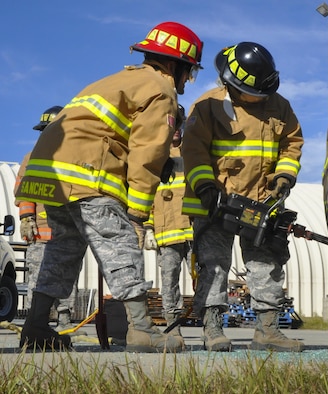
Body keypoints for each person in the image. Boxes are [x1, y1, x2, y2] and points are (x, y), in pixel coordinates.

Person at [15, 21, 203, 352]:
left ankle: (36, 326)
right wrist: (137, 213)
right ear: (174, 65)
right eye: (189, 72)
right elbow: (147, 152)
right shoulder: (160, 89)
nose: (188, 81)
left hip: (50, 175)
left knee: (63, 250)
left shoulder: (119, 79)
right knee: (121, 246)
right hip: (85, 172)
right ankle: (142, 330)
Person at [181, 42, 304, 352]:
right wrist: (206, 187)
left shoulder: (280, 106)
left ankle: (268, 331)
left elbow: (292, 145)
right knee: (214, 265)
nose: (261, 99)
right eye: (254, 94)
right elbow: (193, 152)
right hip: (216, 202)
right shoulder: (207, 106)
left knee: (266, 263)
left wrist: (284, 176)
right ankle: (212, 330)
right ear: (233, 85)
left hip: (261, 202)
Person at [15, 105, 85, 335]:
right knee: (39, 277)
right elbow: (23, 192)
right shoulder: (31, 157)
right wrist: (27, 218)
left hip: (68, 229)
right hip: (41, 232)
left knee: (68, 275)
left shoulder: (75, 157)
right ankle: (37, 321)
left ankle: (64, 320)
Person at [143, 104, 193, 347]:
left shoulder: (193, 152)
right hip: (166, 233)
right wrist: (148, 228)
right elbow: (148, 197)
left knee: (205, 280)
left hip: (194, 231)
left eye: (178, 123)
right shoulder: (156, 155)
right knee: (170, 282)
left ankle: (211, 327)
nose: (175, 128)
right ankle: (173, 328)